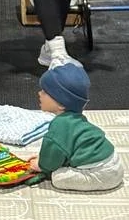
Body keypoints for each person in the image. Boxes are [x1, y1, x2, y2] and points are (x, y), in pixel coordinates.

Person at [28, 61, 123, 191]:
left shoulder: (60, 125)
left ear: (61, 103)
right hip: (113, 162)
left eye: (45, 92)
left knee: (58, 178)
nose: (39, 94)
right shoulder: (76, 119)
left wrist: (40, 165)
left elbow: (52, 155)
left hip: (101, 174)